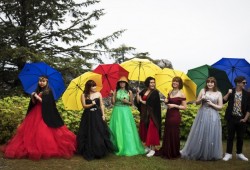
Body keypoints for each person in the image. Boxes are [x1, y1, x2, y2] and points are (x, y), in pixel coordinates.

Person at [2, 75, 76, 160]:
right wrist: (33, 97)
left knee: (44, 129)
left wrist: (37, 96)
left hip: (45, 113)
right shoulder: (37, 90)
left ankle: (46, 149)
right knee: (31, 130)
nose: (41, 83)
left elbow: (47, 103)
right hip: (35, 112)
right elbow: (34, 103)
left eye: (43, 81)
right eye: (40, 81)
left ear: (47, 82)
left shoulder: (49, 91)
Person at [181, 77, 223, 160]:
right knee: (201, 132)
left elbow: (220, 107)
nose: (210, 84)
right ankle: (198, 152)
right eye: (208, 82)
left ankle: (210, 154)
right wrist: (201, 99)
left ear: (214, 84)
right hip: (202, 114)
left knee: (211, 133)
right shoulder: (203, 91)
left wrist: (212, 104)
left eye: (212, 82)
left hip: (213, 115)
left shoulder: (218, 93)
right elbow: (196, 103)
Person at [76, 80, 114, 161]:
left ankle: (99, 150)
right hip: (88, 115)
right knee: (89, 132)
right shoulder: (83, 95)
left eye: (95, 85)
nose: (94, 87)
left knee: (98, 131)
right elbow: (84, 106)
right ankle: (90, 150)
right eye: (92, 86)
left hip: (97, 114)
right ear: (88, 87)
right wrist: (91, 104)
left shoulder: (98, 94)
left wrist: (103, 114)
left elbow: (101, 104)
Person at [109, 76, 145, 156]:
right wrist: (112, 95)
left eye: (123, 82)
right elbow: (113, 103)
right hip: (117, 111)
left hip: (126, 111)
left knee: (126, 128)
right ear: (119, 84)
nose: (122, 83)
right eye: (121, 82)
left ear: (126, 84)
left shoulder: (129, 92)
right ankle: (116, 146)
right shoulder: (116, 91)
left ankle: (128, 146)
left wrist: (126, 102)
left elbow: (131, 103)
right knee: (117, 127)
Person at [154, 76, 186, 159]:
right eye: (174, 81)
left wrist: (174, 105)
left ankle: (173, 152)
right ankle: (166, 150)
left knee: (174, 132)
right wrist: (166, 101)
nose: (174, 83)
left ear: (180, 84)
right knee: (167, 132)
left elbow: (184, 107)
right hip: (168, 114)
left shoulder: (182, 93)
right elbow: (168, 102)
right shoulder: (170, 91)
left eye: (177, 82)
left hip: (175, 115)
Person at [222, 76, 250, 161]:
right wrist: (228, 93)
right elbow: (223, 101)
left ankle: (239, 153)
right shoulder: (231, 91)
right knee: (230, 137)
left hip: (241, 118)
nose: (245, 84)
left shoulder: (247, 94)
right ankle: (228, 154)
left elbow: (249, 108)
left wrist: (245, 119)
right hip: (231, 118)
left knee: (240, 137)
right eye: (244, 82)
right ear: (238, 83)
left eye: (245, 83)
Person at [135, 76, 161, 157]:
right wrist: (138, 94)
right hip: (144, 114)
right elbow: (138, 102)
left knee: (152, 130)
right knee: (145, 130)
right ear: (147, 83)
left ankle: (153, 149)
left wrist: (143, 101)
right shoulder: (144, 91)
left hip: (152, 114)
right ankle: (147, 147)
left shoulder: (155, 92)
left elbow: (150, 103)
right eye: (151, 82)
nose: (153, 84)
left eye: (154, 82)